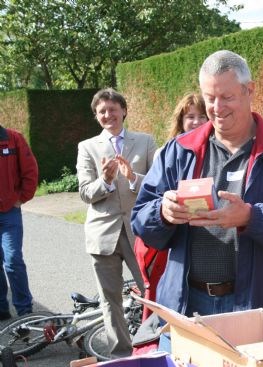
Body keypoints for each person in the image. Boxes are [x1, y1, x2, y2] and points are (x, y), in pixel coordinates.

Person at [131, 50, 263, 351]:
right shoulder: (178, 151)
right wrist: (162, 212)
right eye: (210, 98)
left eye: (227, 97)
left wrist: (250, 217)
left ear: (250, 91)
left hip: (257, 307)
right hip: (187, 305)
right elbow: (142, 221)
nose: (217, 108)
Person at [76, 88, 156, 358]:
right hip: (102, 234)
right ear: (96, 116)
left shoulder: (145, 142)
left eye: (112, 109)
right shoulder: (87, 147)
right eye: (102, 111)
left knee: (151, 293)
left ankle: (152, 348)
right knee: (111, 300)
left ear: (124, 110)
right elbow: (86, 192)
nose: (108, 115)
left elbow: (158, 185)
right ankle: (121, 356)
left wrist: (133, 177)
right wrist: (106, 181)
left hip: (140, 232)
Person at [134, 92, 208, 321]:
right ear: (180, 121)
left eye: (202, 116)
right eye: (190, 116)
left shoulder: (215, 150)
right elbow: (148, 203)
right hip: (173, 242)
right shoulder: (167, 153)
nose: (196, 122)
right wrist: (164, 208)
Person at [0, 125, 38, 320]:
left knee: (13, 260)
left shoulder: (13, 138)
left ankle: (24, 310)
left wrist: (22, 197)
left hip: (8, 213)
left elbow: (30, 170)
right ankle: (1, 310)